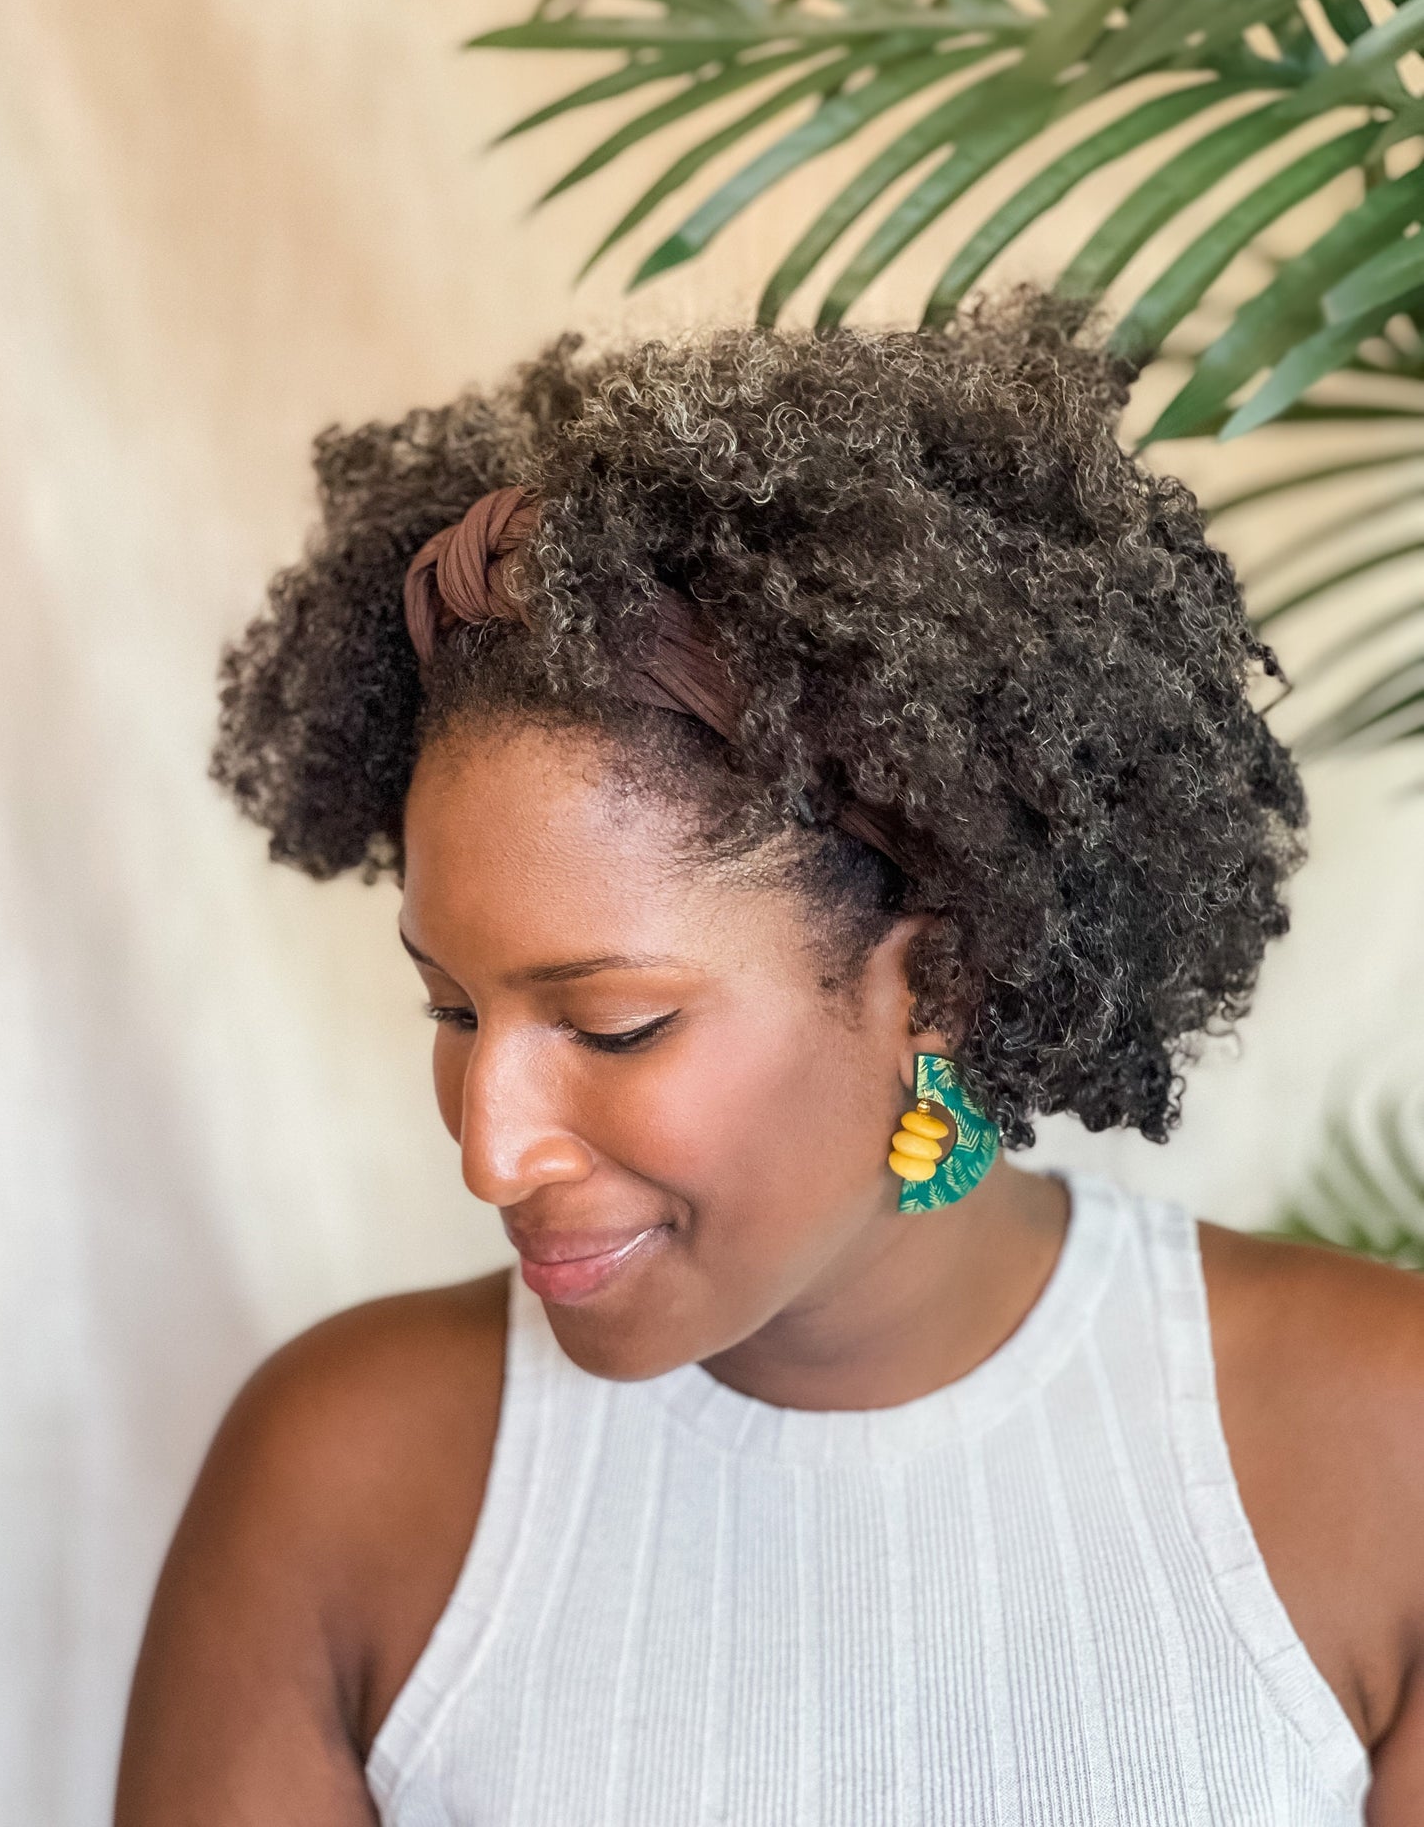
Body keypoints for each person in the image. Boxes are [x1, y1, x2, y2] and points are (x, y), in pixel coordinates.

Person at [115, 300, 1424, 1825]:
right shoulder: (336, 1484)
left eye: (612, 1025)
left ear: (936, 977)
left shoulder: (1377, 1443)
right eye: (452, 1011)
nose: (490, 1149)